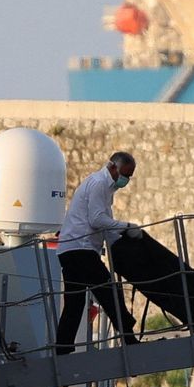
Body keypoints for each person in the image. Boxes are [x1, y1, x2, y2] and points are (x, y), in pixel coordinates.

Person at [55, 151, 143, 354]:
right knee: (109, 292)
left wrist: (121, 241)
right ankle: (128, 338)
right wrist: (127, 226)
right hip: (81, 249)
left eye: (129, 176)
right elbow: (97, 220)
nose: (126, 180)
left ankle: (62, 348)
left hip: (70, 249)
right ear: (113, 167)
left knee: (75, 303)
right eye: (125, 175)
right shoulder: (99, 184)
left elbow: (106, 227)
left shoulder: (105, 187)